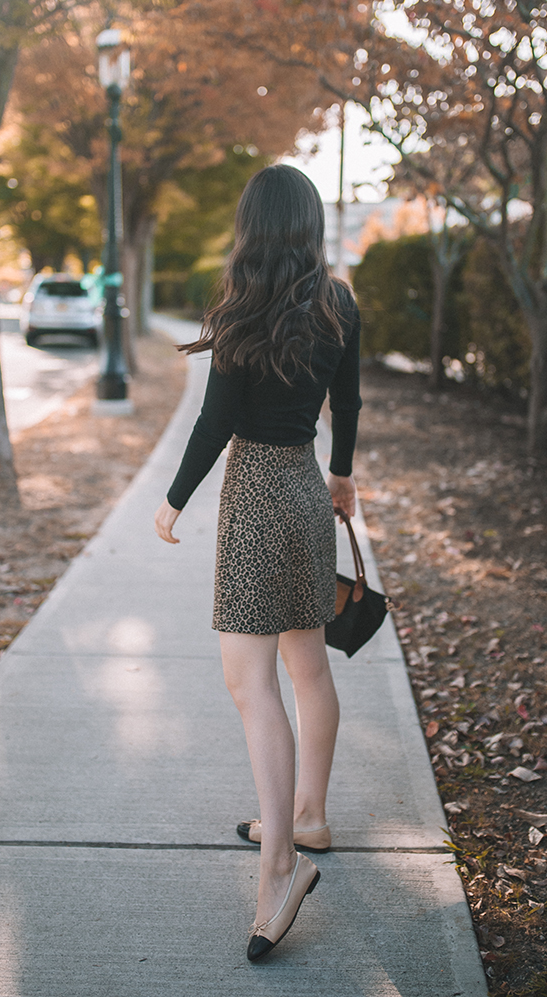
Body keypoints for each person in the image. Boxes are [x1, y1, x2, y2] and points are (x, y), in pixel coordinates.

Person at [154, 163, 361, 962]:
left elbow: (216, 422)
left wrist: (173, 500)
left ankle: (282, 864)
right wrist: (342, 476)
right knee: (306, 668)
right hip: (307, 493)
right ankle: (307, 814)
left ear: (252, 226)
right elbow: (349, 401)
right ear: (307, 225)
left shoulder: (244, 308)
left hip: (255, 498)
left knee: (252, 685)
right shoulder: (338, 302)